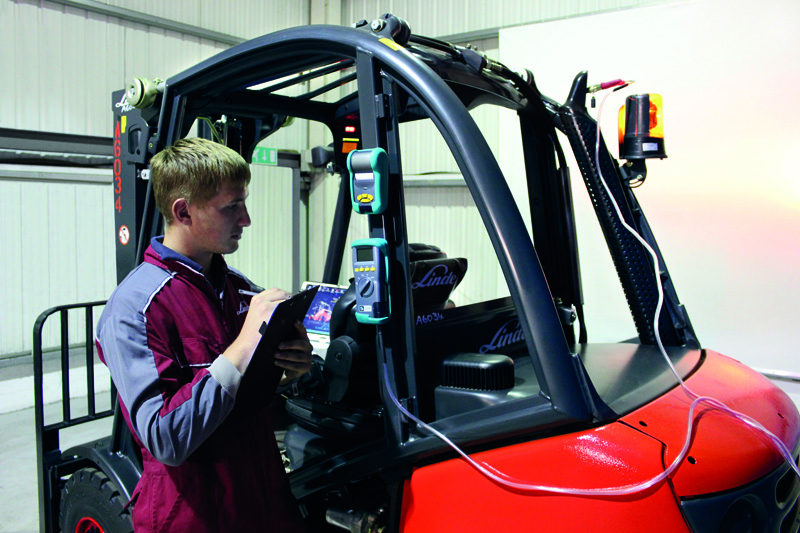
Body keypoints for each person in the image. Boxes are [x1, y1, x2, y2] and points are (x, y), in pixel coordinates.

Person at [95, 137, 311, 532]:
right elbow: (165, 438)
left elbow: (245, 397)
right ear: (183, 212)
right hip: (195, 516)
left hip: (263, 503)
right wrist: (244, 344)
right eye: (231, 207)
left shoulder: (240, 290)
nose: (246, 220)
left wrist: (290, 370)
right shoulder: (135, 310)